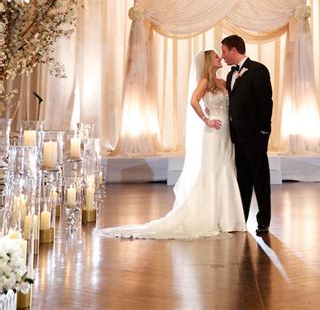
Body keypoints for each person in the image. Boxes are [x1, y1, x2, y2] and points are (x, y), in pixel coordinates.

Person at [100, 50, 246, 239]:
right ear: (210, 62)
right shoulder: (205, 82)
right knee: (213, 170)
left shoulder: (223, 82)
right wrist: (206, 119)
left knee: (226, 167)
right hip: (214, 131)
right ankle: (213, 216)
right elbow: (193, 101)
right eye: (217, 57)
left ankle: (227, 218)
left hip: (226, 131)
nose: (221, 59)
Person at [221, 35, 273, 236]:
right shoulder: (230, 75)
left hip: (255, 136)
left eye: (224, 52)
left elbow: (266, 103)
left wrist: (264, 131)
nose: (223, 56)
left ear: (234, 50)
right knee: (242, 179)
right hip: (237, 137)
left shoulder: (258, 70)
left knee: (260, 180)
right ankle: (240, 218)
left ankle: (263, 221)